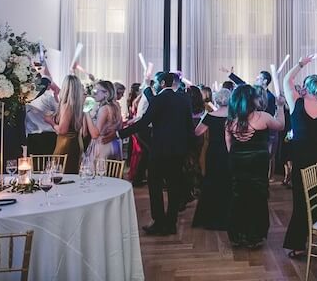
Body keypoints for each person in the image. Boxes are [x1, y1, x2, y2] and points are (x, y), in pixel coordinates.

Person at [118, 72, 194, 236]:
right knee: (174, 187)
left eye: (158, 82)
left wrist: (120, 134)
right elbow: (190, 127)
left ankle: (159, 222)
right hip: (178, 151)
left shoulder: (158, 99)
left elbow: (144, 123)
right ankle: (172, 223)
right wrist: (189, 150)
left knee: (155, 186)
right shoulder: (184, 99)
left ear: (163, 83)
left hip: (160, 150)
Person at [282, 56, 317, 258]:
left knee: (303, 200)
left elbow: (286, 81)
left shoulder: (296, 102)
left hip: (303, 158)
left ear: (306, 87)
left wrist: (300, 64)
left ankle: (298, 244)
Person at [225, 84, 285, 248]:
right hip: (258, 162)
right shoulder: (262, 117)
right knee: (257, 196)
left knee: (238, 195)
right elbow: (281, 125)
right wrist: (280, 106)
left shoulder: (230, 121)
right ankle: (254, 235)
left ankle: (237, 235)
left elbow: (229, 147)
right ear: (251, 100)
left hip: (237, 162)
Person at [192, 88, 232, 230]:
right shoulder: (234, 116)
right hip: (229, 151)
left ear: (216, 100)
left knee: (212, 181)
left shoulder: (210, 116)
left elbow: (197, 132)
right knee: (228, 181)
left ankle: (210, 216)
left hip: (214, 151)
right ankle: (227, 216)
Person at [45, 75, 84, 173]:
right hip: (75, 142)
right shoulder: (77, 105)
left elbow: (62, 130)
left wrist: (50, 121)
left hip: (65, 144)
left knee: (61, 174)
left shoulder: (67, 106)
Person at [84, 80, 122, 161]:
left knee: (98, 172)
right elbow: (120, 127)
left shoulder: (104, 109)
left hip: (102, 146)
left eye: (97, 91)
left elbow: (95, 134)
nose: (94, 93)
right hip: (113, 145)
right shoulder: (116, 106)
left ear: (106, 93)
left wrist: (87, 112)